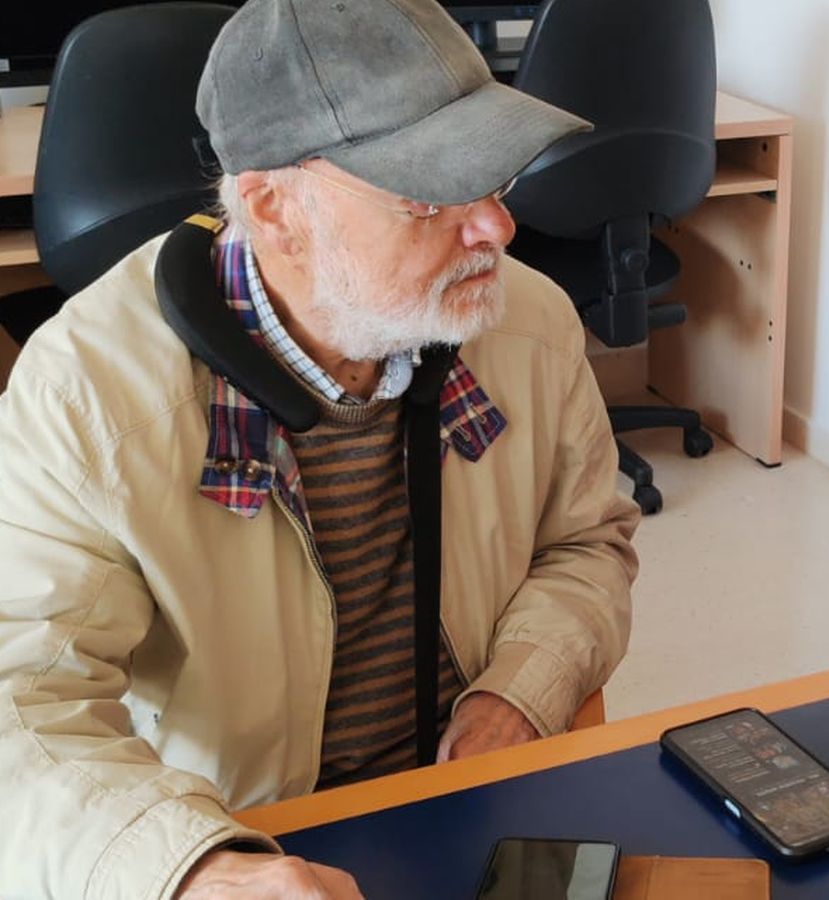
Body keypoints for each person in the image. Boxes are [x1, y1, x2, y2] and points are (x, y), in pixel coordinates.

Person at [0, 0, 639, 896]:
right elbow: (20, 703)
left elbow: (586, 544)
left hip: (475, 799)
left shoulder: (527, 319)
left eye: (491, 172)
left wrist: (523, 691)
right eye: (432, 191)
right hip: (244, 838)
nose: (497, 227)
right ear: (274, 207)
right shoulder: (86, 394)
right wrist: (194, 872)